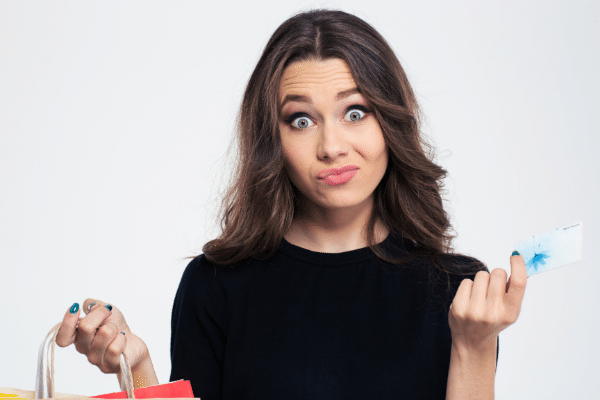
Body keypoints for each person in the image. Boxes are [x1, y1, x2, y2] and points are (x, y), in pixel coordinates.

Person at [56, 9, 527, 399]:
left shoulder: (459, 294)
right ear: (271, 139)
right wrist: (138, 366)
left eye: (355, 112)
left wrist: (473, 347)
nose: (332, 146)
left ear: (391, 122)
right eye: (301, 120)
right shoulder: (214, 286)